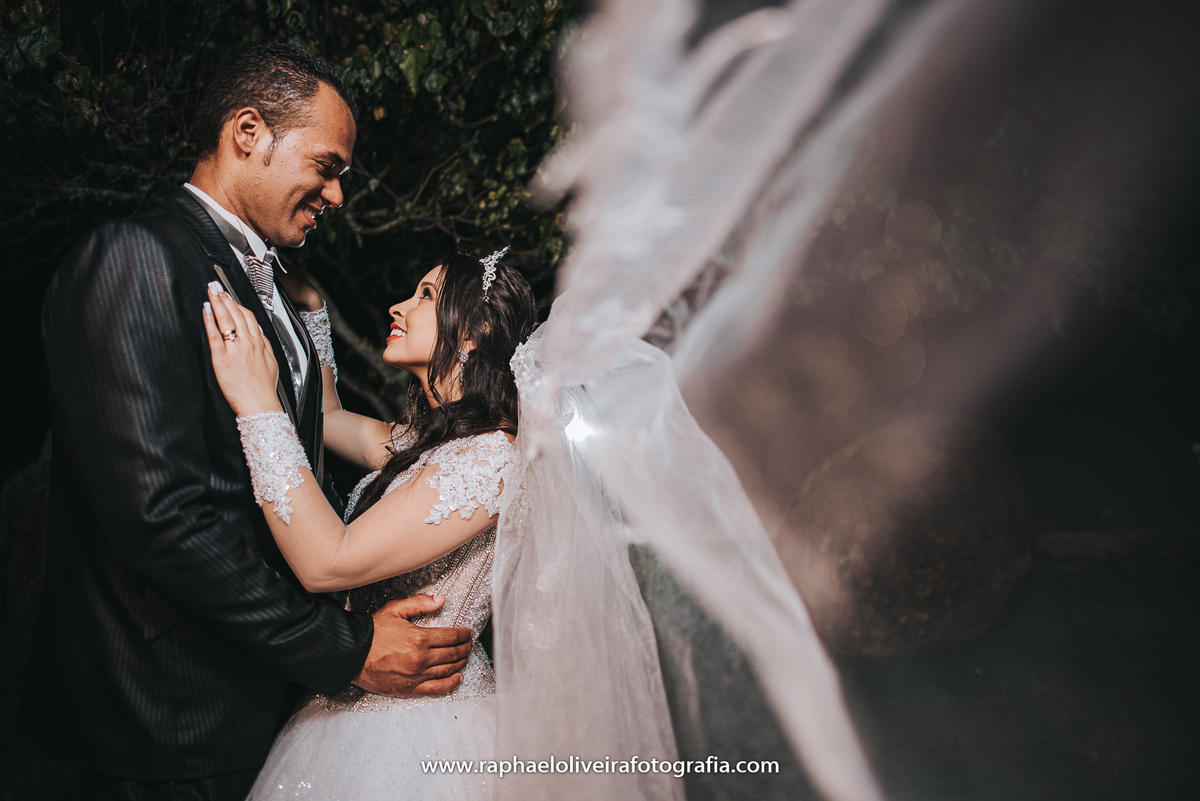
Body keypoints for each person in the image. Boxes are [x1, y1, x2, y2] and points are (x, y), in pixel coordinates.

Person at [20, 43, 473, 801]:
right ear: (249, 132)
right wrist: (346, 648)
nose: (335, 195)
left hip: (267, 696)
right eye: (326, 166)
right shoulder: (135, 259)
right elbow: (158, 521)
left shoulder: (283, 297)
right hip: (171, 718)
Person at [201, 248, 536, 800]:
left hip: (423, 731)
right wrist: (313, 310)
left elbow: (327, 560)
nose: (398, 305)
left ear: (473, 332)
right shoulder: (422, 446)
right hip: (356, 696)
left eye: (426, 296)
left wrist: (256, 400)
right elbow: (328, 417)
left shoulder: (491, 459)